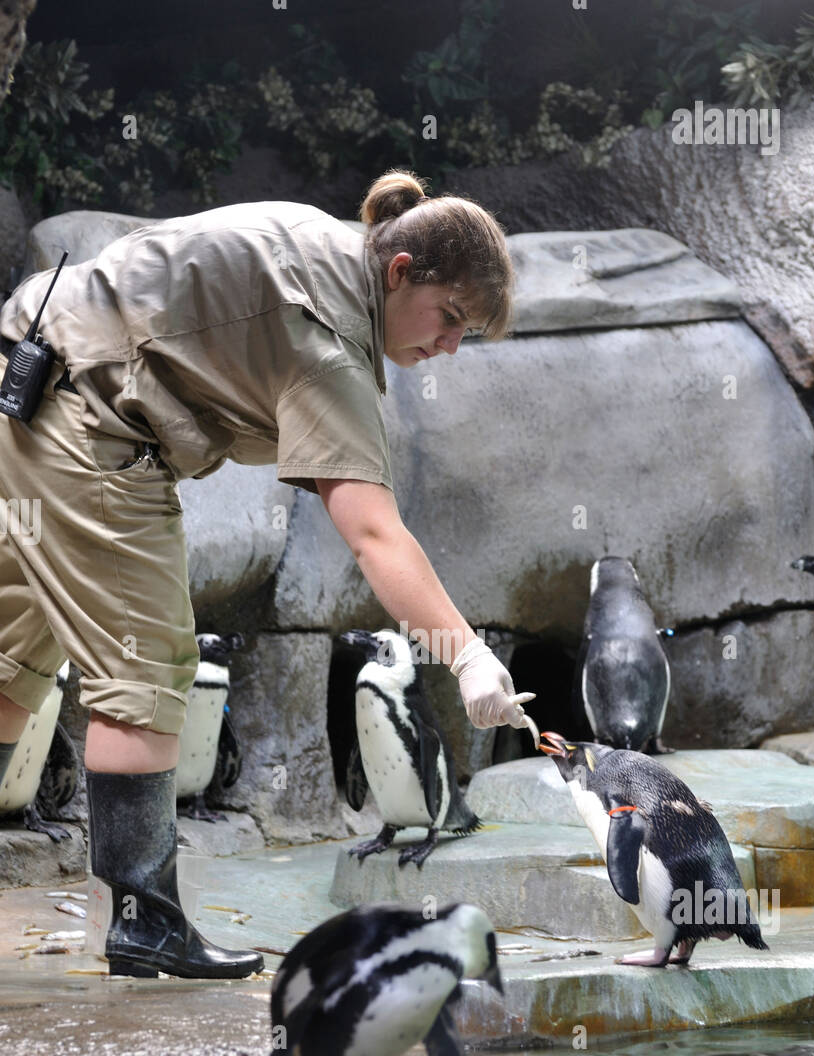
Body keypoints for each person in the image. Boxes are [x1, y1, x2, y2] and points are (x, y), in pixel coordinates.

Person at [0, 168, 537, 980]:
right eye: (450, 317)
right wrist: (463, 654)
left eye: (467, 335)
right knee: (146, 665)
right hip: (85, 420)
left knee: (12, 658)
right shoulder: (326, 337)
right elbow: (372, 532)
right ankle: (146, 921)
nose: (449, 345)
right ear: (400, 273)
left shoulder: (321, 243)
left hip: (31, 373)